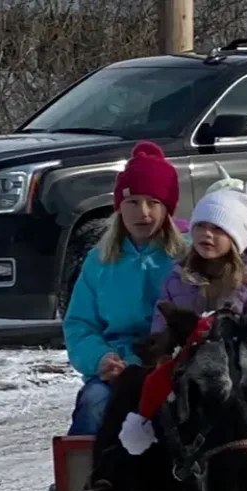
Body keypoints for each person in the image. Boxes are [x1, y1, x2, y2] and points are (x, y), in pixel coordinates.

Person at [62, 140, 187, 435]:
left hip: (172, 364)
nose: (142, 212)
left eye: (153, 202)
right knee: (93, 404)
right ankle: (87, 478)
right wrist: (100, 358)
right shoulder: (100, 261)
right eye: (132, 202)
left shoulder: (185, 256)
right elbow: (80, 324)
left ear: (166, 208)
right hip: (116, 365)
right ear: (119, 207)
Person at [150, 170, 247, 333]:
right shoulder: (178, 277)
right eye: (200, 225)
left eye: (218, 228)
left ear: (235, 237)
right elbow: (160, 330)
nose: (207, 233)